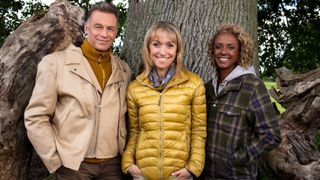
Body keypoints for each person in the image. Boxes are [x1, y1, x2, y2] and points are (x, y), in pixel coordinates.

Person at [24, 2, 131, 179]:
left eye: (110, 29)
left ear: (116, 31)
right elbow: (36, 116)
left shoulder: (124, 70)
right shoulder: (55, 63)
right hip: (72, 166)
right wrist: (54, 160)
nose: (105, 34)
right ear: (86, 27)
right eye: (98, 27)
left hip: (113, 166)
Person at [121, 21, 207, 180]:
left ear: (177, 50)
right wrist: (128, 163)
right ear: (148, 48)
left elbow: (199, 130)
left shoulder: (194, 84)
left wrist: (193, 167)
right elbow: (134, 131)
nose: (163, 51)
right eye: (156, 44)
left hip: (179, 175)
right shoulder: (135, 87)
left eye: (170, 45)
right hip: (143, 174)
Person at [202, 24, 281, 179]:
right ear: (213, 50)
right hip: (206, 175)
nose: (223, 52)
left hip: (236, 175)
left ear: (240, 52)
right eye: (218, 47)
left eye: (231, 47)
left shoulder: (252, 87)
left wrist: (238, 158)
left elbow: (271, 135)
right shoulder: (208, 88)